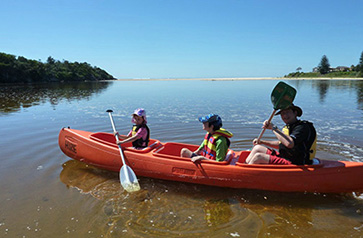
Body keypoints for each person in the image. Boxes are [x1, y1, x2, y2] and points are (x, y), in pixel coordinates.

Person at [245, 104, 317, 165]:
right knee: (257, 148)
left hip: (296, 162)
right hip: (285, 157)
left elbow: (289, 144)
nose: (285, 116)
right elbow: (282, 144)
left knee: (258, 157)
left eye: (287, 112)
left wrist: (273, 128)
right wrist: (262, 142)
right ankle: (244, 167)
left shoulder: (302, 127)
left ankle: (244, 175)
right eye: (282, 113)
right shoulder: (288, 127)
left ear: (295, 113)